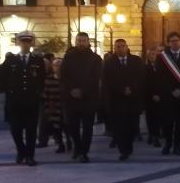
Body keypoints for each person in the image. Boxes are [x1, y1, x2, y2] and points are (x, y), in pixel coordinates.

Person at [1, 32, 46, 165]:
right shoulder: (11, 60)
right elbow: (2, 76)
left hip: (31, 100)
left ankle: (30, 156)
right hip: (15, 101)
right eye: (23, 42)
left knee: (31, 130)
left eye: (28, 41)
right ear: (18, 43)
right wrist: (9, 90)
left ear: (31, 43)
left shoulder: (38, 60)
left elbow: (42, 77)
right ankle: (21, 151)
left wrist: (38, 91)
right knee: (15, 130)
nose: (25, 44)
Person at [61, 32, 103, 163]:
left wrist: (82, 91)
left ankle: (84, 151)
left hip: (88, 99)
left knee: (87, 127)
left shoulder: (95, 58)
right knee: (72, 126)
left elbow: (95, 78)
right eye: (79, 40)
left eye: (84, 41)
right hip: (71, 98)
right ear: (75, 41)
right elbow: (64, 76)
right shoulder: (68, 57)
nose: (81, 43)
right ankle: (77, 148)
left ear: (88, 42)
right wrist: (71, 90)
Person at [103, 39, 145, 161]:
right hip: (117, 100)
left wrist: (132, 88)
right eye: (118, 47)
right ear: (114, 48)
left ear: (127, 47)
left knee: (132, 126)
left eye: (122, 46)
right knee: (120, 127)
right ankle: (123, 150)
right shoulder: (109, 63)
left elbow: (141, 77)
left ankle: (129, 145)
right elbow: (107, 81)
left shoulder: (136, 61)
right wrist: (122, 89)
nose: (120, 49)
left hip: (133, 99)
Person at [155, 32, 180, 155]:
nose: (175, 42)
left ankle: (177, 145)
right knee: (167, 121)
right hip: (168, 95)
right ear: (168, 43)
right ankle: (168, 144)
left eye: (177, 40)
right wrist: (171, 90)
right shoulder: (162, 57)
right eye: (172, 41)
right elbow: (160, 77)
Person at [43, 58, 67, 153]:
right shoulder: (49, 79)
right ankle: (61, 144)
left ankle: (70, 141)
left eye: (59, 66)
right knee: (56, 127)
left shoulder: (67, 79)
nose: (57, 68)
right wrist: (48, 106)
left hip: (65, 107)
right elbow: (46, 93)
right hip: (54, 107)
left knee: (67, 126)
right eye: (55, 66)